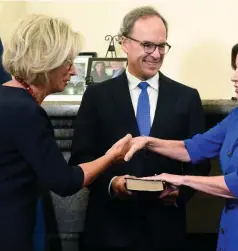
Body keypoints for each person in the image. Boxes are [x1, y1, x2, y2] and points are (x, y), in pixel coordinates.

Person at [0, 14, 131, 251]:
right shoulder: (24, 111)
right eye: (68, 62)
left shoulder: (4, 96)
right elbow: (65, 182)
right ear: (46, 61)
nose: (74, 72)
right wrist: (112, 155)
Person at [124, 38, 238, 251]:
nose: (234, 76)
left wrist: (179, 179)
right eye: (235, 68)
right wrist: (147, 142)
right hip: (231, 223)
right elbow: (193, 148)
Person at [68, 6, 210, 251]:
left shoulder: (186, 97)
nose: (156, 54)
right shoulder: (97, 96)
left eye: (161, 46)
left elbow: (201, 159)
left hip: (166, 230)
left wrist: (180, 192)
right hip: (110, 229)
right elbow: (82, 158)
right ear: (124, 43)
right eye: (147, 45)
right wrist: (113, 184)